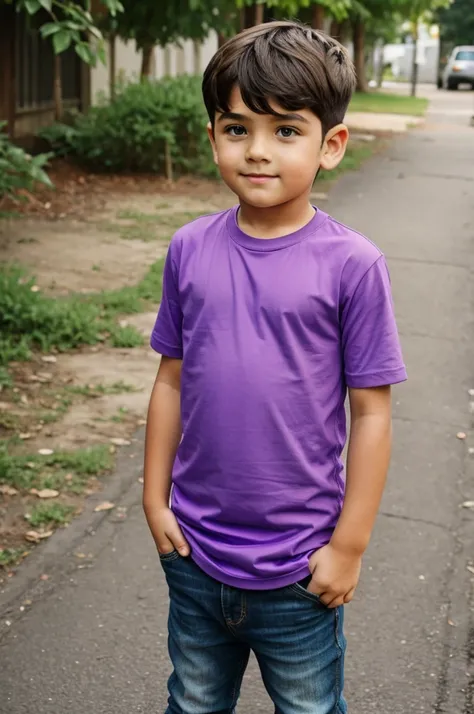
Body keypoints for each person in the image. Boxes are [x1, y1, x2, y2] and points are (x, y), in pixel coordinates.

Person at [143, 20, 407, 714]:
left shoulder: (352, 265)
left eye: (286, 130)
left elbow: (372, 412)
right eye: (237, 128)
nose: (258, 151)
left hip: (299, 570)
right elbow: (170, 378)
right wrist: (153, 497)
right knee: (192, 701)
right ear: (213, 137)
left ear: (331, 145)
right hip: (195, 558)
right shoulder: (189, 249)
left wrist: (349, 545)